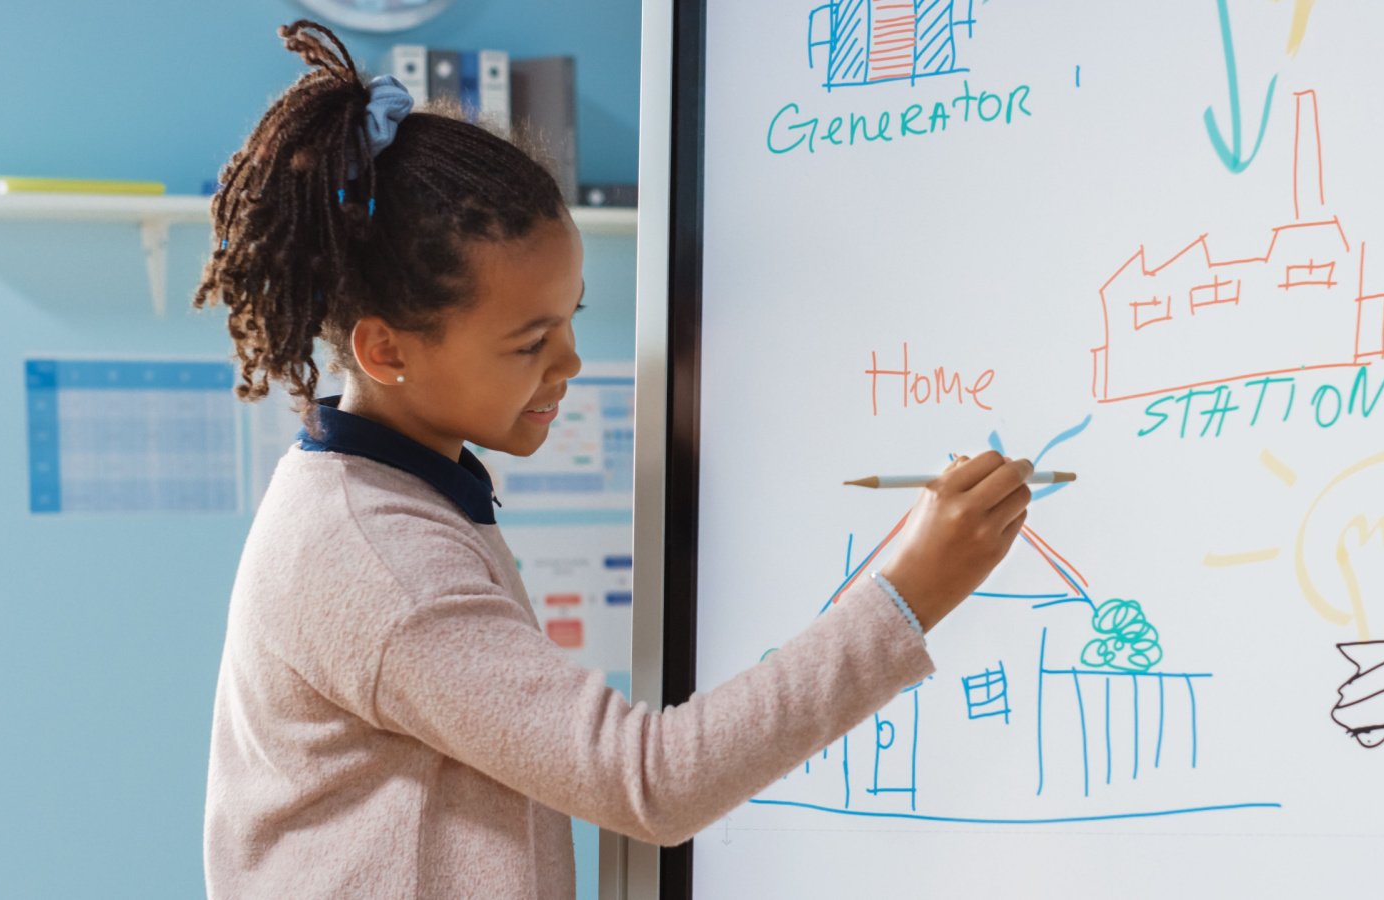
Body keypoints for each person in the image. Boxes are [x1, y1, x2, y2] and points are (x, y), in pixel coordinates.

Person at [199, 20, 1034, 898]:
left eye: (572, 317)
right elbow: (651, 783)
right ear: (387, 350)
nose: (570, 362)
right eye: (529, 344)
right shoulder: (376, 556)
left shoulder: (400, 492)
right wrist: (908, 596)